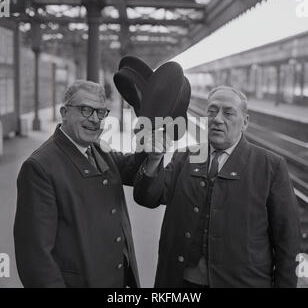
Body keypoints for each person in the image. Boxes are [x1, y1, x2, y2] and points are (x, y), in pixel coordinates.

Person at [134, 85, 301, 288]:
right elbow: (148, 197)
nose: (218, 119)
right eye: (212, 111)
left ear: (245, 122)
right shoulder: (185, 157)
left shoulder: (270, 166)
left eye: (228, 113)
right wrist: (153, 160)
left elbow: (288, 240)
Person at [14, 80, 147, 288]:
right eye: (86, 110)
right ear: (64, 112)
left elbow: (131, 168)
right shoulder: (40, 167)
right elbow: (35, 258)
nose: (95, 119)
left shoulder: (97, 150)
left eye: (101, 112)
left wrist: (150, 149)